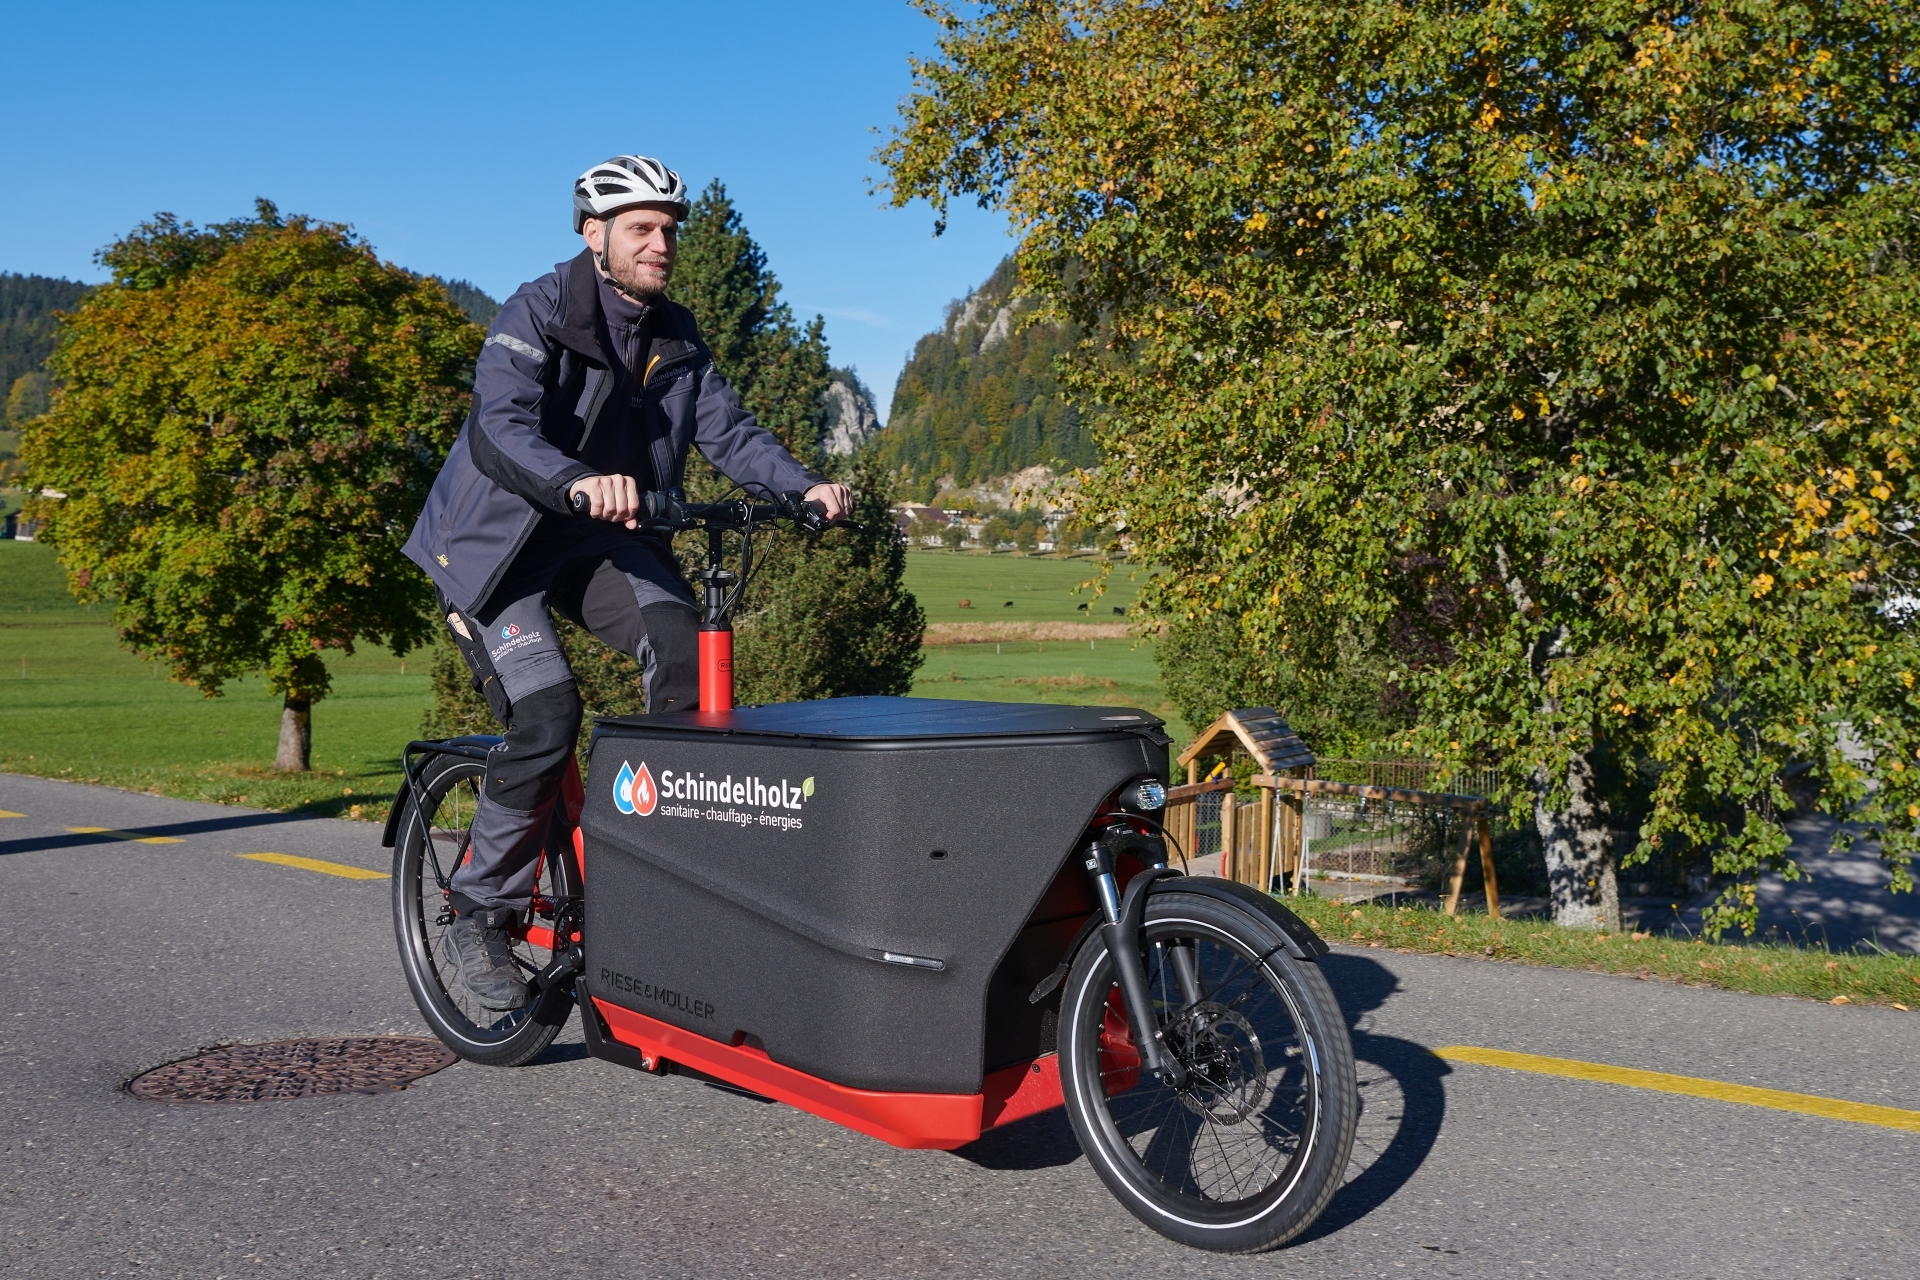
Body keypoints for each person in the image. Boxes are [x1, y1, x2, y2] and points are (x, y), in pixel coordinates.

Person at [403, 154, 850, 1011]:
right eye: (642, 229)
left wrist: (802, 487)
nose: (661, 245)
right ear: (594, 234)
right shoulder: (537, 309)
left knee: (684, 656)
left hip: (599, 539)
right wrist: (574, 479)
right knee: (547, 714)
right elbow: (498, 428)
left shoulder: (674, 334)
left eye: (670, 230)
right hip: (495, 549)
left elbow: (730, 429)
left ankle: (654, 878)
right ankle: (478, 911)